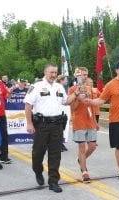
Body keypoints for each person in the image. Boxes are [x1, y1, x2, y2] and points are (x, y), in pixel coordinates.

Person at [24, 63, 76, 193]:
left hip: (57, 124)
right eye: (51, 72)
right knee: (38, 152)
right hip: (41, 125)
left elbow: (66, 101)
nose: (53, 75)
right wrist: (29, 124)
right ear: (45, 72)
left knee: (55, 154)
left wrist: (76, 93)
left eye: (55, 73)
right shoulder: (35, 87)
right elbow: (28, 105)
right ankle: (38, 171)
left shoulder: (59, 87)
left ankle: (53, 181)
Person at [68, 67, 98, 183]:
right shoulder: (72, 89)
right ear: (77, 76)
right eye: (82, 75)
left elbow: (93, 106)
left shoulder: (90, 89)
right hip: (79, 122)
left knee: (92, 146)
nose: (84, 77)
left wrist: (96, 122)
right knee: (81, 147)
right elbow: (72, 108)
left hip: (90, 121)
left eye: (86, 74)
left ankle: (81, 159)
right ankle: (84, 172)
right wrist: (77, 98)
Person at [57, 74, 70, 152]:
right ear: (62, 80)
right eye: (65, 79)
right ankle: (58, 144)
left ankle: (60, 143)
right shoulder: (58, 87)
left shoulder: (62, 87)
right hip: (58, 112)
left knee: (62, 128)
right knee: (59, 129)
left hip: (63, 111)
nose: (67, 81)